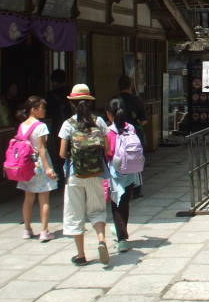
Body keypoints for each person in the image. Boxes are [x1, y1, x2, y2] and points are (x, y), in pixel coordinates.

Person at [58, 84, 111, 266]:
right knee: (97, 210)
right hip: (96, 173)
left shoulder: (68, 124)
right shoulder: (100, 122)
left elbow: (62, 153)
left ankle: (80, 255)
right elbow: (107, 148)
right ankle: (101, 240)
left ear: (72, 103)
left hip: (75, 174)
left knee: (74, 213)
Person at [15, 96, 58, 242]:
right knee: (44, 199)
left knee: (28, 198)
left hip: (26, 164)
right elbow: (41, 148)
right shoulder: (41, 126)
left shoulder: (22, 125)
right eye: (42, 107)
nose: (44, 110)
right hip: (39, 163)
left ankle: (27, 229)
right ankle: (44, 231)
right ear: (34, 109)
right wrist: (48, 168)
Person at [104, 97, 143, 252]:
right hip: (131, 171)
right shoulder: (131, 128)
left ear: (109, 114)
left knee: (116, 205)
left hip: (116, 173)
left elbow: (107, 152)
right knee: (125, 204)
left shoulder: (108, 131)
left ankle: (121, 239)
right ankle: (121, 231)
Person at [118, 74, 147, 198]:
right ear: (131, 86)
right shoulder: (137, 100)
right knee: (136, 160)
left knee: (119, 161)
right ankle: (137, 189)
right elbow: (144, 120)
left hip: (118, 134)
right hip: (135, 135)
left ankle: (121, 187)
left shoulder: (115, 101)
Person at [45, 69, 70, 181]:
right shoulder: (70, 92)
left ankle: (61, 176)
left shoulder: (51, 95)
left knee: (58, 152)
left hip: (57, 126)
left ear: (54, 81)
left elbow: (48, 112)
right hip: (71, 124)